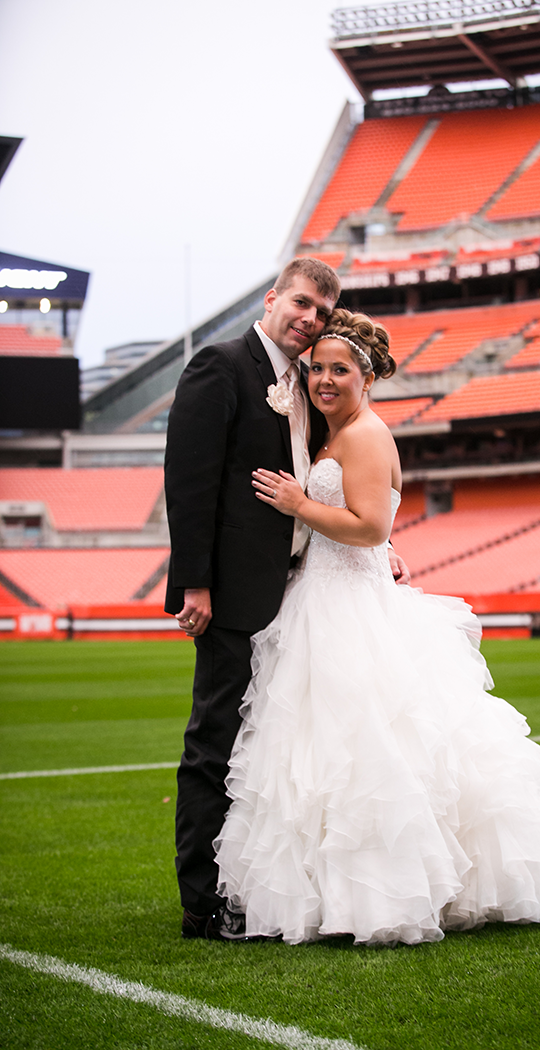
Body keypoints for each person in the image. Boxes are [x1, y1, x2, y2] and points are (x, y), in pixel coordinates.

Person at [214, 309, 540, 946]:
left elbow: (370, 527)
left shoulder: (362, 434)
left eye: (340, 370)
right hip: (320, 596)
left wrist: (299, 502)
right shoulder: (330, 433)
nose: (325, 380)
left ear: (368, 376)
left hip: (349, 608)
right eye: (318, 369)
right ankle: (328, 894)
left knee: (363, 753)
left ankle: (380, 898)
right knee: (316, 756)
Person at [164, 260, 409, 941]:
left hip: (297, 591)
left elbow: (334, 488)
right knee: (216, 743)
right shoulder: (221, 366)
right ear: (273, 298)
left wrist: (372, 545)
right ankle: (201, 900)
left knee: (266, 750)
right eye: (300, 302)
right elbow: (190, 481)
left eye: (321, 311)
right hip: (234, 594)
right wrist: (194, 583)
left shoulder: (305, 382)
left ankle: (251, 889)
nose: (308, 317)